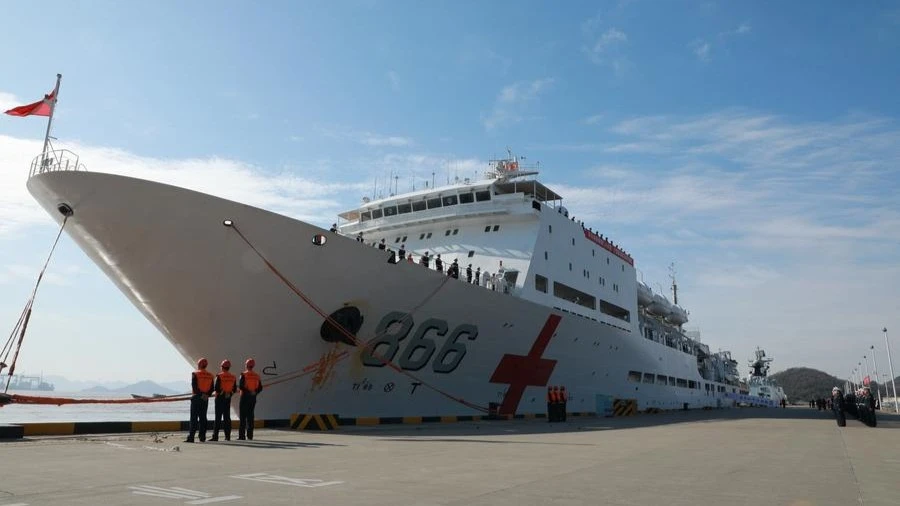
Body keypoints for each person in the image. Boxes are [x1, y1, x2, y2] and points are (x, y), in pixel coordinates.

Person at [186, 358, 214, 443]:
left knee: (194, 418)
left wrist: (201, 395)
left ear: (199, 364)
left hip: (196, 398)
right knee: (203, 418)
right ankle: (202, 437)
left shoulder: (195, 374)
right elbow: (212, 388)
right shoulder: (210, 375)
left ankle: (191, 437)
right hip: (205, 399)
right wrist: (206, 395)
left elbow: (194, 387)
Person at [211, 359, 237, 441]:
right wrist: (229, 394)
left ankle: (215, 436)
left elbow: (216, 388)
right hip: (227, 398)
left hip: (220, 398)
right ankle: (227, 436)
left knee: (218, 418)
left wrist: (222, 392)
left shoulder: (219, 376)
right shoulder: (233, 377)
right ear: (229, 367)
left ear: (222, 367)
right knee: (227, 418)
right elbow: (235, 389)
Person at [238, 358, 263, 440]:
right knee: (250, 416)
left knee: (242, 417)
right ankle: (250, 435)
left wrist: (248, 392)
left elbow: (241, 386)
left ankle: (242, 436)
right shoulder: (256, 376)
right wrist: (254, 392)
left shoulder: (243, 374)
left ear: (246, 365)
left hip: (244, 397)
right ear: (253, 366)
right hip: (252, 398)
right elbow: (260, 388)